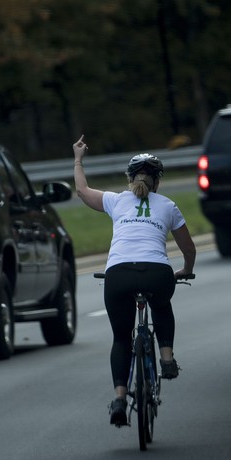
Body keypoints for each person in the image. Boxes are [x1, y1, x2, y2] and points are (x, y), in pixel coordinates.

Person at [72, 135, 196, 427]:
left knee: (120, 337)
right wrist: (186, 269)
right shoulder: (168, 205)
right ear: (158, 182)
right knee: (162, 304)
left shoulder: (115, 200)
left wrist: (78, 159)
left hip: (119, 274)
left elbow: (81, 191)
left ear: (129, 179)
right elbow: (188, 248)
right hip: (157, 272)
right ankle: (166, 358)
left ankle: (118, 398)